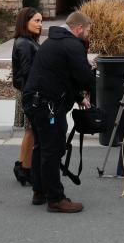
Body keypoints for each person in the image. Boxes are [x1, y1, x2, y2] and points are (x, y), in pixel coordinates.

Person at [23, 11, 94, 213]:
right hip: (48, 105)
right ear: (79, 28)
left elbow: (63, 75)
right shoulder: (72, 45)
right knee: (52, 149)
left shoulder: (54, 41)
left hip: (34, 101)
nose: (88, 33)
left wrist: (78, 97)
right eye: (87, 30)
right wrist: (91, 78)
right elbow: (83, 77)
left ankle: (40, 191)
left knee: (41, 147)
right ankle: (55, 198)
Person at [11, 7, 43, 185]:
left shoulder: (28, 41)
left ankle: (23, 166)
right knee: (31, 131)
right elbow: (27, 72)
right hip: (28, 92)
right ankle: (25, 169)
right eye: (36, 21)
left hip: (27, 91)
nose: (40, 24)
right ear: (25, 22)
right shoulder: (24, 43)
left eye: (40, 20)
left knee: (30, 131)